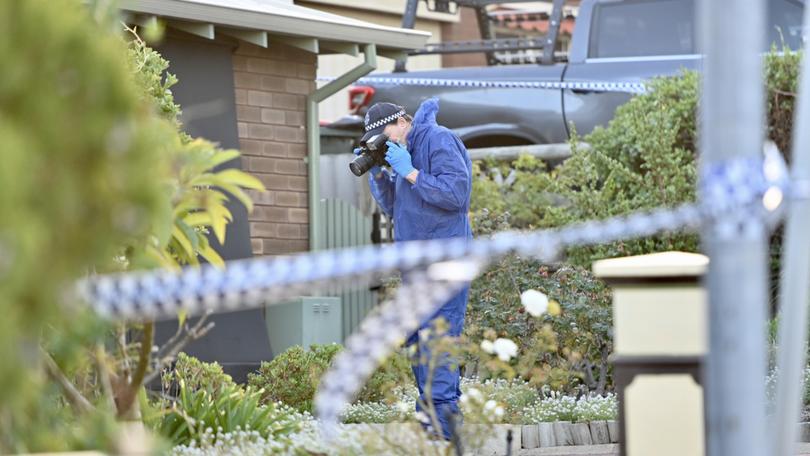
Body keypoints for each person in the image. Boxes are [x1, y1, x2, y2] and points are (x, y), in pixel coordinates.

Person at [356, 98, 472, 439]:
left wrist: (410, 171)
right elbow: (397, 208)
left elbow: (457, 194)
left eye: (384, 134)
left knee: (438, 338)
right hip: (415, 266)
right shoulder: (401, 150)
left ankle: (444, 428)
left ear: (402, 122)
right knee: (418, 340)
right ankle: (432, 421)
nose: (385, 141)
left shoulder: (438, 139)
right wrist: (378, 173)